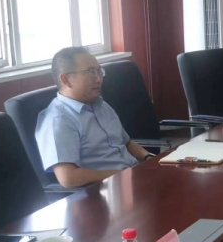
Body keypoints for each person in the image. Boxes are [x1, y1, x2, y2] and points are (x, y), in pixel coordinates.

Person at [36, 47, 153, 188]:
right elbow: (68, 178)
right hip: (105, 190)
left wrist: (148, 157)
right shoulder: (58, 120)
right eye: (91, 72)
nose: (99, 79)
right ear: (66, 79)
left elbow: (127, 143)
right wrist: (120, 174)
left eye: (99, 71)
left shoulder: (101, 105)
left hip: (132, 178)